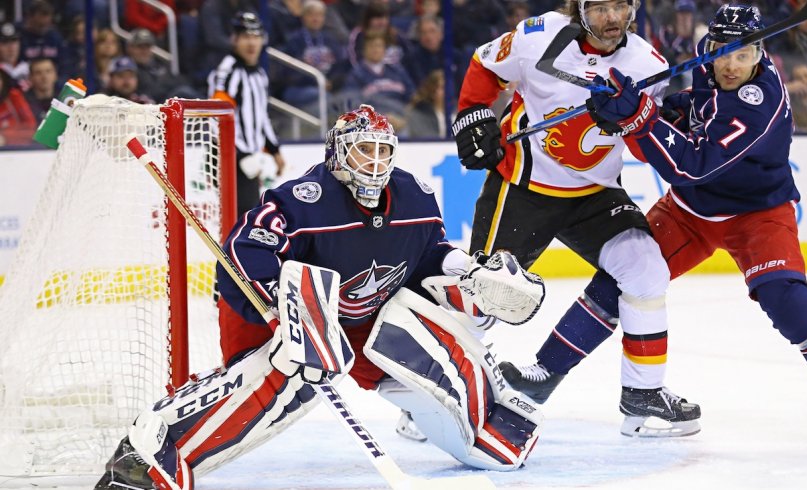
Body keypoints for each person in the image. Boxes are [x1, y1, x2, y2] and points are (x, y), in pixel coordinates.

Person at [93, 104, 547, 489]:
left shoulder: (414, 197)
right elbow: (243, 248)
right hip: (265, 311)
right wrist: (286, 313)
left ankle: (467, 415)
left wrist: (466, 270)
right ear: (338, 154)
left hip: (356, 318)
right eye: (363, 149)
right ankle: (155, 444)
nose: (373, 161)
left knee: (419, 337)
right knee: (291, 376)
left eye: (382, 150)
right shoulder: (305, 199)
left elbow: (427, 254)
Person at [545, 4, 807, 446]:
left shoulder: (759, 101)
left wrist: (638, 119)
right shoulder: (710, 65)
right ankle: (540, 375)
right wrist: (646, 109)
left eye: (742, 55)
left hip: (757, 213)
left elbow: (692, 164)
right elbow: (695, 110)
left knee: (788, 302)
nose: (729, 65)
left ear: (761, 55)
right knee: (622, 278)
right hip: (691, 209)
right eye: (722, 52)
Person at [452, 0, 702, 437]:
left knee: (646, 271)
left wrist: (633, 121)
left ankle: (642, 394)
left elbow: (649, 148)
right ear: (580, 7)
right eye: (601, 6)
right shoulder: (536, 36)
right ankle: (447, 389)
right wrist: (472, 114)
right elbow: (486, 64)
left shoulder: (647, 63)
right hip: (523, 188)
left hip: (595, 194)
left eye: (620, 5)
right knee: (485, 294)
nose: (612, 18)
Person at [208, 11, 286, 216]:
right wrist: (238, 153)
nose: (251, 43)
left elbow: (261, 116)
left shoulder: (260, 74)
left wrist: (274, 150)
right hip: (229, 156)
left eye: (256, 36)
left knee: (249, 215)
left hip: (250, 157)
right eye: (245, 37)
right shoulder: (227, 71)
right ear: (234, 40)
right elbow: (216, 116)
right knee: (239, 218)